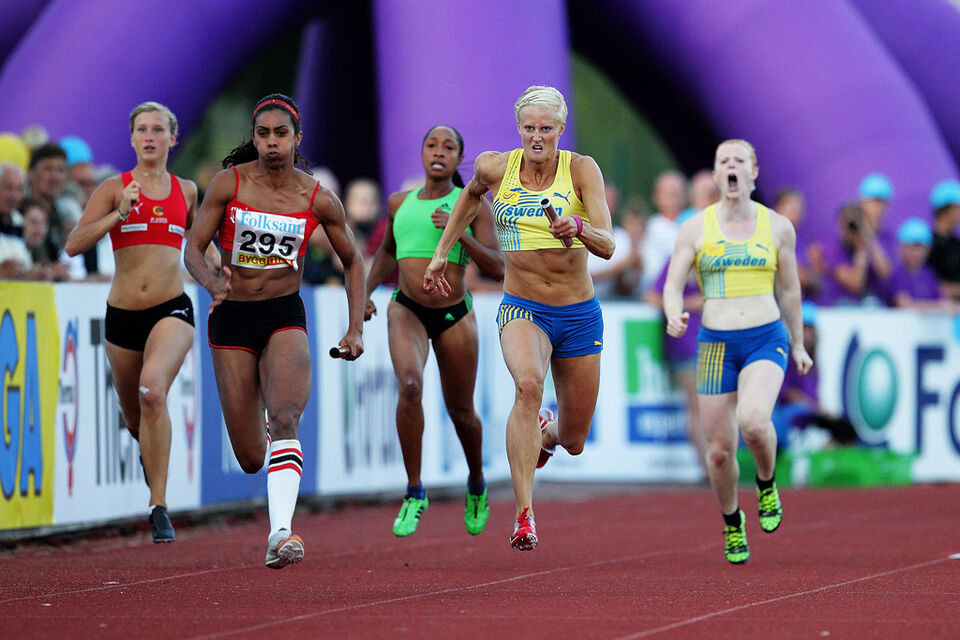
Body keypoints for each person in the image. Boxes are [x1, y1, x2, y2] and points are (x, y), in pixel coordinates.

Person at [423, 85, 615, 551]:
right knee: (528, 387)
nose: (536, 137)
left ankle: (546, 437)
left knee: (574, 440)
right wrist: (441, 253)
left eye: (546, 128)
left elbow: (608, 245)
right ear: (518, 128)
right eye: (529, 128)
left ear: (560, 129)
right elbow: (469, 197)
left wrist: (578, 227)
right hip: (523, 307)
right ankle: (524, 515)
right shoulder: (495, 166)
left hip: (578, 313)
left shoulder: (581, 169)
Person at [184, 93, 365, 569]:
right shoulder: (228, 183)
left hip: (284, 313)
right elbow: (193, 248)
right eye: (263, 134)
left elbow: (353, 261)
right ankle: (271, 444)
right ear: (254, 138)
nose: (271, 143)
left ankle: (280, 532)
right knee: (249, 456)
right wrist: (210, 282)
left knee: (285, 418)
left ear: (297, 139)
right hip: (232, 316)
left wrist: (354, 329)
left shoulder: (316, 197)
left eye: (280, 134)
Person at [662, 139, 812, 564]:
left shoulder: (778, 227)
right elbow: (672, 285)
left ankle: (766, 483)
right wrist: (674, 314)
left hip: (765, 337)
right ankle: (732, 521)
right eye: (723, 161)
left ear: (753, 172)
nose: (731, 166)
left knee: (753, 421)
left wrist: (798, 344)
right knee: (719, 450)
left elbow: (790, 290)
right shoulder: (695, 228)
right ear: (716, 174)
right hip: (716, 345)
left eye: (739, 160)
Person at [64, 102, 201, 542]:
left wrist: (219, 277)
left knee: (153, 390)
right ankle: (151, 462)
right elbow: (73, 245)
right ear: (131, 139)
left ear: (172, 138)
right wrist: (118, 213)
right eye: (141, 129)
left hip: (172, 309)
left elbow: (199, 246)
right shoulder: (113, 188)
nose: (149, 137)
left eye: (157, 129)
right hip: (122, 316)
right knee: (135, 421)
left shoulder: (187, 191)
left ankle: (159, 505)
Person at [364, 125, 504, 538]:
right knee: (409, 386)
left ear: (458, 158)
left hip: (453, 314)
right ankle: (414, 491)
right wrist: (362, 296)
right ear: (423, 153)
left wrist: (457, 231)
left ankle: (476, 482)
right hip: (406, 308)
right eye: (431, 145)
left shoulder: (473, 204)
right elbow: (386, 253)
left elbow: (497, 269)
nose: (439, 152)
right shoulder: (399, 203)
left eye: (448, 147)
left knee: (461, 411)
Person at [927, 179, 960, 302]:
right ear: (946, 210)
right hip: (937, 306)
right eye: (957, 208)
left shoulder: (956, 243)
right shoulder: (927, 243)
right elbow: (926, 280)